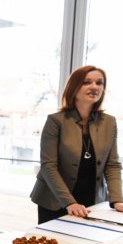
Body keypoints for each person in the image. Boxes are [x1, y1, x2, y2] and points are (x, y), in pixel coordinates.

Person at [30, 65, 123, 224]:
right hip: (55, 200)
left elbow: (112, 165)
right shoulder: (55, 121)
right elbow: (48, 166)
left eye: (99, 83)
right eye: (87, 82)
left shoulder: (109, 122)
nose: (94, 87)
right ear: (74, 87)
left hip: (93, 200)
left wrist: (117, 200)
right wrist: (69, 202)